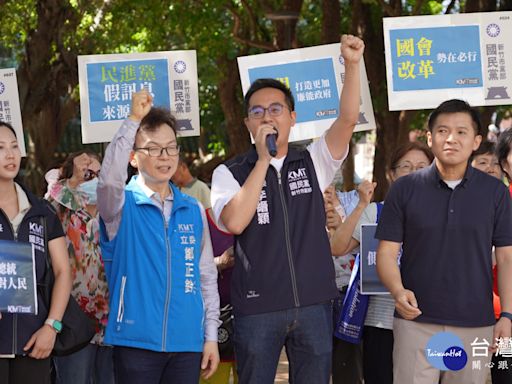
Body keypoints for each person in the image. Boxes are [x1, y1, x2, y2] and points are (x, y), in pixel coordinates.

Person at [210, 34, 364, 383]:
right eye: (258, 112)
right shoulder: (229, 173)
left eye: (276, 109)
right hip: (257, 308)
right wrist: (263, 161)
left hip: (313, 304)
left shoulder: (313, 161)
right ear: (248, 123)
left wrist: (352, 65)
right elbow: (233, 222)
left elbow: (347, 119)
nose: (267, 117)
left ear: (292, 117)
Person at [376, 99, 512, 384]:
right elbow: (387, 253)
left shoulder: (494, 193)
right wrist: (398, 291)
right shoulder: (404, 189)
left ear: (476, 141)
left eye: (461, 132)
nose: (451, 138)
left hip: (475, 323)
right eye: (442, 131)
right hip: (416, 322)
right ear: (430, 138)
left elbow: (506, 258)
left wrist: (508, 315)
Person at [97, 90, 220, 384]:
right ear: (134, 158)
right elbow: (109, 180)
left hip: (187, 344)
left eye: (171, 148)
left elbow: (205, 276)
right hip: (136, 341)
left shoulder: (192, 209)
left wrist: (211, 336)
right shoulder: (119, 205)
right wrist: (133, 120)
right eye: (153, 149)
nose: (164, 157)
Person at [331, 142, 433, 384]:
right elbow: (337, 247)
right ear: (392, 174)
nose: (414, 173)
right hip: (381, 324)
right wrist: (361, 205)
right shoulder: (375, 213)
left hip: (431, 322)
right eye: (406, 167)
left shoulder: (445, 214)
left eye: (422, 167)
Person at [0, 121, 72, 383]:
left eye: (14, 146)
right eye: (0, 148)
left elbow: (64, 271)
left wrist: (51, 327)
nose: (10, 154)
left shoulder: (42, 212)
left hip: (34, 344)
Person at [46, 151, 113, 384]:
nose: (92, 179)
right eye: (86, 174)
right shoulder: (59, 207)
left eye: (97, 174)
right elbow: (46, 207)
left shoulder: (113, 209)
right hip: (73, 319)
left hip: (112, 320)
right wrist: (74, 181)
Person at [324, 181, 375, 384]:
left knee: (349, 363)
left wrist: (340, 224)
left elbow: (367, 242)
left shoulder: (355, 199)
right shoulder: (302, 202)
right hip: (316, 294)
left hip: (352, 294)